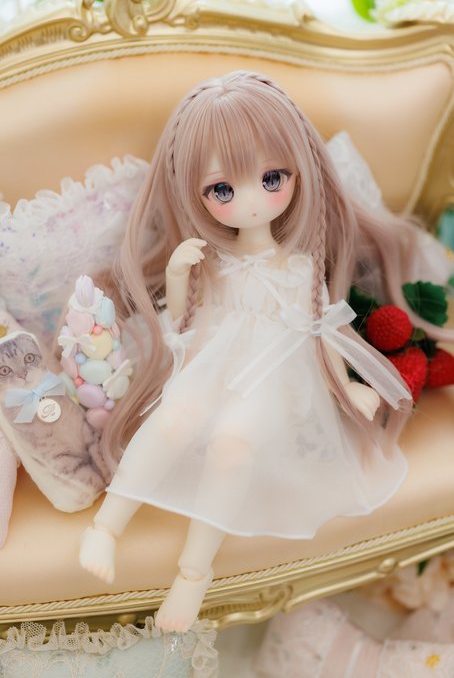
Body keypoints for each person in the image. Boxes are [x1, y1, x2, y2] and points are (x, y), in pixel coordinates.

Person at [79, 70, 440, 633]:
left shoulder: (300, 266)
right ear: (196, 193)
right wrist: (176, 276)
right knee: (175, 418)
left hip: (278, 379)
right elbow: (186, 323)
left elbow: (320, 332)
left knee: (233, 444)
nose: (249, 202)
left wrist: (350, 388)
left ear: (298, 173)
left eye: (271, 178)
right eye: (222, 190)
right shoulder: (214, 262)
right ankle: (107, 526)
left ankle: (193, 575)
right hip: (213, 367)